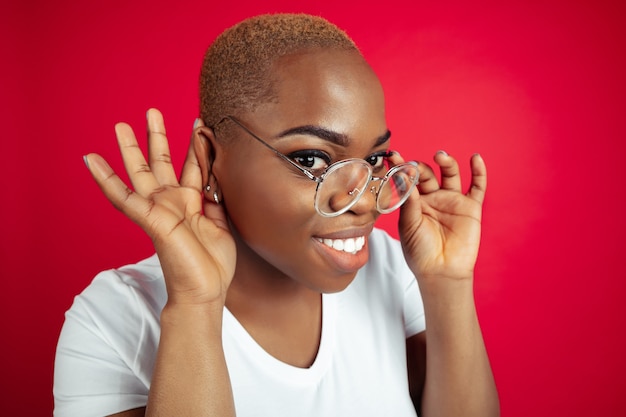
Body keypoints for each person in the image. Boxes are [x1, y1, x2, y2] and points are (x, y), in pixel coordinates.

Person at [54, 13, 499, 417]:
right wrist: (196, 304)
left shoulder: (392, 267)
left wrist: (448, 284)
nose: (364, 201)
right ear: (210, 157)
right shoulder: (113, 318)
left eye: (376, 159)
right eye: (311, 160)